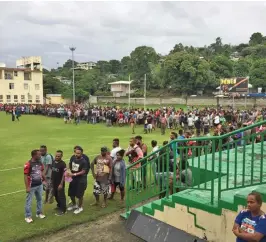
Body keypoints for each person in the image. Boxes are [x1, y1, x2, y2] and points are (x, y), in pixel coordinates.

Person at [24, 149, 46, 223]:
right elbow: (25, 176)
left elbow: (41, 172)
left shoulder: (40, 162)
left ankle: (39, 213)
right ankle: (28, 216)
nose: (40, 155)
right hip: (31, 186)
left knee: (39, 199)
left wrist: (45, 180)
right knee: (29, 201)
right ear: (34, 155)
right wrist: (27, 187)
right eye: (39, 154)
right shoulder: (28, 164)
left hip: (39, 184)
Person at [67, 147, 88, 214]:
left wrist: (74, 174)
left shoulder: (84, 161)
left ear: (81, 154)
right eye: (76, 153)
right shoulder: (73, 158)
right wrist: (69, 171)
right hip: (73, 179)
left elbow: (83, 171)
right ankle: (74, 205)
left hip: (81, 180)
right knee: (71, 193)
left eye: (78, 153)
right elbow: (70, 164)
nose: (76, 154)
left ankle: (80, 207)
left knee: (80, 195)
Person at [51, 150, 67, 216]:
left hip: (60, 183)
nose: (57, 157)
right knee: (56, 195)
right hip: (54, 182)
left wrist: (61, 184)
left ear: (61, 156)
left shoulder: (63, 164)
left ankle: (63, 210)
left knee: (61, 196)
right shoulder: (53, 162)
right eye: (56, 156)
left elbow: (64, 175)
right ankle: (59, 206)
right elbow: (52, 172)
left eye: (58, 156)